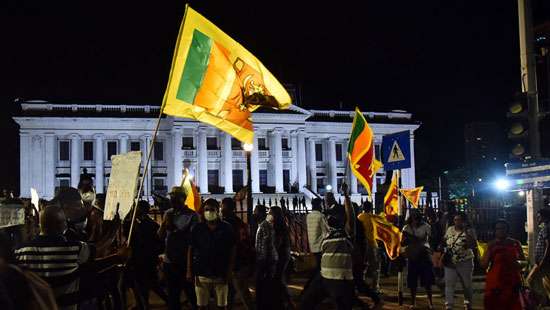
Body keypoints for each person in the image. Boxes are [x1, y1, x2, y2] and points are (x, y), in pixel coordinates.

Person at [15, 204, 129, 310]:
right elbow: (97, 250)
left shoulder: (20, 251)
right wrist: (113, 233)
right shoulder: (72, 249)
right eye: (64, 221)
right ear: (60, 225)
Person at [300, 204, 354, 310]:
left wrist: (347, 196)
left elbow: (351, 219)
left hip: (340, 280)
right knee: (305, 303)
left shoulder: (346, 233)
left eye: (332, 216)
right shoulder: (328, 234)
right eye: (329, 216)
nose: (329, 218)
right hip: (324, 277)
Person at [188, 198, 236, 309]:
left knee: (222, 305)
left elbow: (232, 249)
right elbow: (191, 249)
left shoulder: (226, 227)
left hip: (221, 274)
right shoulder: (197, 228)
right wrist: (189, 270)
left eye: (212, 209)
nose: (209, 212)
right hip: (201, 274)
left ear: (218, 210)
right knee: (202, 306)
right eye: (206, 209)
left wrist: (230, 270)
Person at [158, 186, 199, 310]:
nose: (172, 199)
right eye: (171, 197)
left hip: (185, 262)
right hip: (169, 262)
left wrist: (174, 228)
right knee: (173, 296)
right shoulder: (168, 213)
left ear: (183, 198)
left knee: (191, 295)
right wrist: (165, 223)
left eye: (175, 197)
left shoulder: (192, 216)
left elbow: (192, 240)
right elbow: (160, 236)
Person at [126, 200, 166, 309]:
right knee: (140, 284)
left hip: (147, 259)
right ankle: (142, 303)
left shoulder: (151, 225)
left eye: (137, 208)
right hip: (137, 259)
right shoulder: (133, 224)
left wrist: (153, 254)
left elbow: (159, 242)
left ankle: (163, 301)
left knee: (150, 284)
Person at [482, 219, 525, 310]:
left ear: (507, 230)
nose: (501, 231)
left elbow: (523, 261)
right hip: (496, 280)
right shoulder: (491, 245)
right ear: (495, 231)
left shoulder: (515, 243)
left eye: (503, 228)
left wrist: (516, 263)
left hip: (512, 280)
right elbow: (484, 265)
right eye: (498, 229)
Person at [221, 197, 255, 310]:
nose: (221, 210)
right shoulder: (238, 222)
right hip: (239, 262)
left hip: (237, 263)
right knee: (230, 293)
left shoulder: (228, 224)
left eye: (223, 207)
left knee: (242, 292)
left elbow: (232, 245)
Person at [442, 212, 477, 310]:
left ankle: (468, 303)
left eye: (459, 220)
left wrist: (466, 231)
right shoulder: (450, 229)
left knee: (466, 285)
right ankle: (449, 305)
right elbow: (445, 240)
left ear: (464, 221)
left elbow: (472, 245)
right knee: (449, 284)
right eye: (455, 220)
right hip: (450, 261)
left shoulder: (470, 231)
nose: (457, 222)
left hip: (465, 261)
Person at [402, 210, 434, 309]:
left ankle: (430, 302)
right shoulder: (406, 228)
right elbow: (402, 242)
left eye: (417, 218)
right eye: (414, 218)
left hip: (424, 255)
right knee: (412, 281)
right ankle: (413, 302)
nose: (415, 221)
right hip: (413, 256)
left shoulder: (426, 226)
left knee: (427, 281)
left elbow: (430, 239)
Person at [255, 205, 278, 310]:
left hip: (266, 260)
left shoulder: (264, 225)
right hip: (267, 259)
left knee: (264, 285)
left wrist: (262, 261)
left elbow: (266, 243)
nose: (253, 213)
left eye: (255, 211)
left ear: (260, 213)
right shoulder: (263, 224)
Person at [527, 208, 550, 300]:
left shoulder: (546, 228)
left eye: (539, 217)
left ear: (544, 216)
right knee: (545, 283)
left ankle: (537, 300)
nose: (538, 219)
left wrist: (543, 261)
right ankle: (542, 301)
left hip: (543, 262)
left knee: (529, 280)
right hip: (542, 262)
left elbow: (548, 245)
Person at [306, 198, 327, 271]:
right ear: (319, 205)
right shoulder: (321, 216)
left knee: (317, 264)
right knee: (321, 265)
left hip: (312, 243)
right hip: (320, 244)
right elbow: (326, 231)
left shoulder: (308, 216)